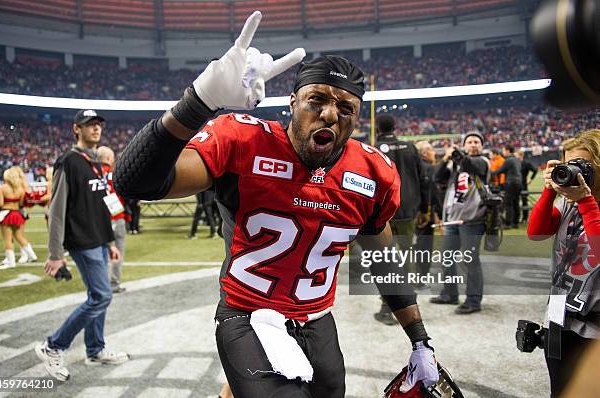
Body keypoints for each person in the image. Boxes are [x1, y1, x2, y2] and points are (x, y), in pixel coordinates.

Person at [114, 11, 440, 397]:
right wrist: (197, 103)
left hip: (317, 318)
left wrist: (420, 341)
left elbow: (385, 264)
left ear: (355, 119)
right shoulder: (244, 141)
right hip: (247, 313)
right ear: (292, 102)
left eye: (346, 107)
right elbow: (134, 182)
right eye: (316, 99)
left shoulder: (372, 173)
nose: (330, 113)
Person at [36, 109, 128, 382]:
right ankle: (53, 345)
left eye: (98, 124)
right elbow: (56, 210)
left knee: (97, 298)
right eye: (90, 125)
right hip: (82, 241)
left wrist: (110, 240)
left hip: (99, 239)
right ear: (77, 129)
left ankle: (95, 349)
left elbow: (102, 204)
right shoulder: (69, 161)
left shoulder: (97, 161)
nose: (96, 129)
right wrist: (55, 254)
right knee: (101, 296)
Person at [527, 129, 600, 398]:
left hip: (594, 325)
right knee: (559, 391)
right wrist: (549, 192)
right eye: (570, 165)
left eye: (584, 166)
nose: (576, 173)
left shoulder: (582, 201)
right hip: (559, 314)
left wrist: (586, 201)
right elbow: (535, 232)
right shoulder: (568, 202)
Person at [373, 114, 428, 325]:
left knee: (384, 260)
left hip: (383, 215)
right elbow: (423, 178)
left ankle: (387, 307)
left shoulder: (373, 149)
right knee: (404, 258)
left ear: (377, 128)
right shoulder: (411, 148)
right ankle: (407, 305)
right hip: (408, 212)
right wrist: (425, 208)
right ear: (395, 127)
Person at [430, 132, 489, 314]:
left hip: (472, 219)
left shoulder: (483, 161)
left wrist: (458, 156)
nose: (473, 145)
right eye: (469, 142)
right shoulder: (455, 163)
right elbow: (437, 177)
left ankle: (473, 300)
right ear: (464, 145)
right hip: (452, 218)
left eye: (476, 142)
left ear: (481, 146)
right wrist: (447, 157)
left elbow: (470, 164)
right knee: (447, 258)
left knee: (470, 259)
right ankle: (449, 293)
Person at [0, 167, 38, 269]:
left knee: (7, 239)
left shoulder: (1, 188)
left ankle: (11, 262)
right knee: (20, 236)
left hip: (5, 214)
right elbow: (21, 204)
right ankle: (32, 255)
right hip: (17, 214)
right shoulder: (21, 189)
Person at [98, 146, 127, 293]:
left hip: (100, 219)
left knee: (101, 252)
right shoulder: (114, 173)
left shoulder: (93, 174)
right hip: (116, 215)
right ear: (109, 158)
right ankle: (114, 283)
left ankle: (101, 284)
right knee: (118, 251)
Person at [414, 140, 442, 282]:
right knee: (424, 246)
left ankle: (414, 275)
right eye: (431, 149)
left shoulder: (415, 168)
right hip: (426, 212)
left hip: (414, 212)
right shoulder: (429, 168)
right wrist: (439, 213)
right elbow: (433, 193)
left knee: (416, 245)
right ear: (424, 153)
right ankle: (421, 277)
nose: (434, 152)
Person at [491, 144, 522, 229]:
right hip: (519, 183)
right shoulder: (517, 159)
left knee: (508, 203)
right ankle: (515, 223)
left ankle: (508, 223)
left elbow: (499, 171)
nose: (503, 152)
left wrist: (490, 172)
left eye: (504, 150)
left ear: (508, 151)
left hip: (511, 183)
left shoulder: (508, 160)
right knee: (516, 203)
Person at [516, 149, 538, 223]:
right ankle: (516, 218)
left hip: (523, 185)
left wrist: (530, 179)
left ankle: (525, 218)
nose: (515, 156)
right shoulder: (514, 163)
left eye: (516, 155)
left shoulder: (526, 163)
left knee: (524, 201)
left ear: (520, 155)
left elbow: (535, 170)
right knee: (515, 202)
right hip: (516, 185)